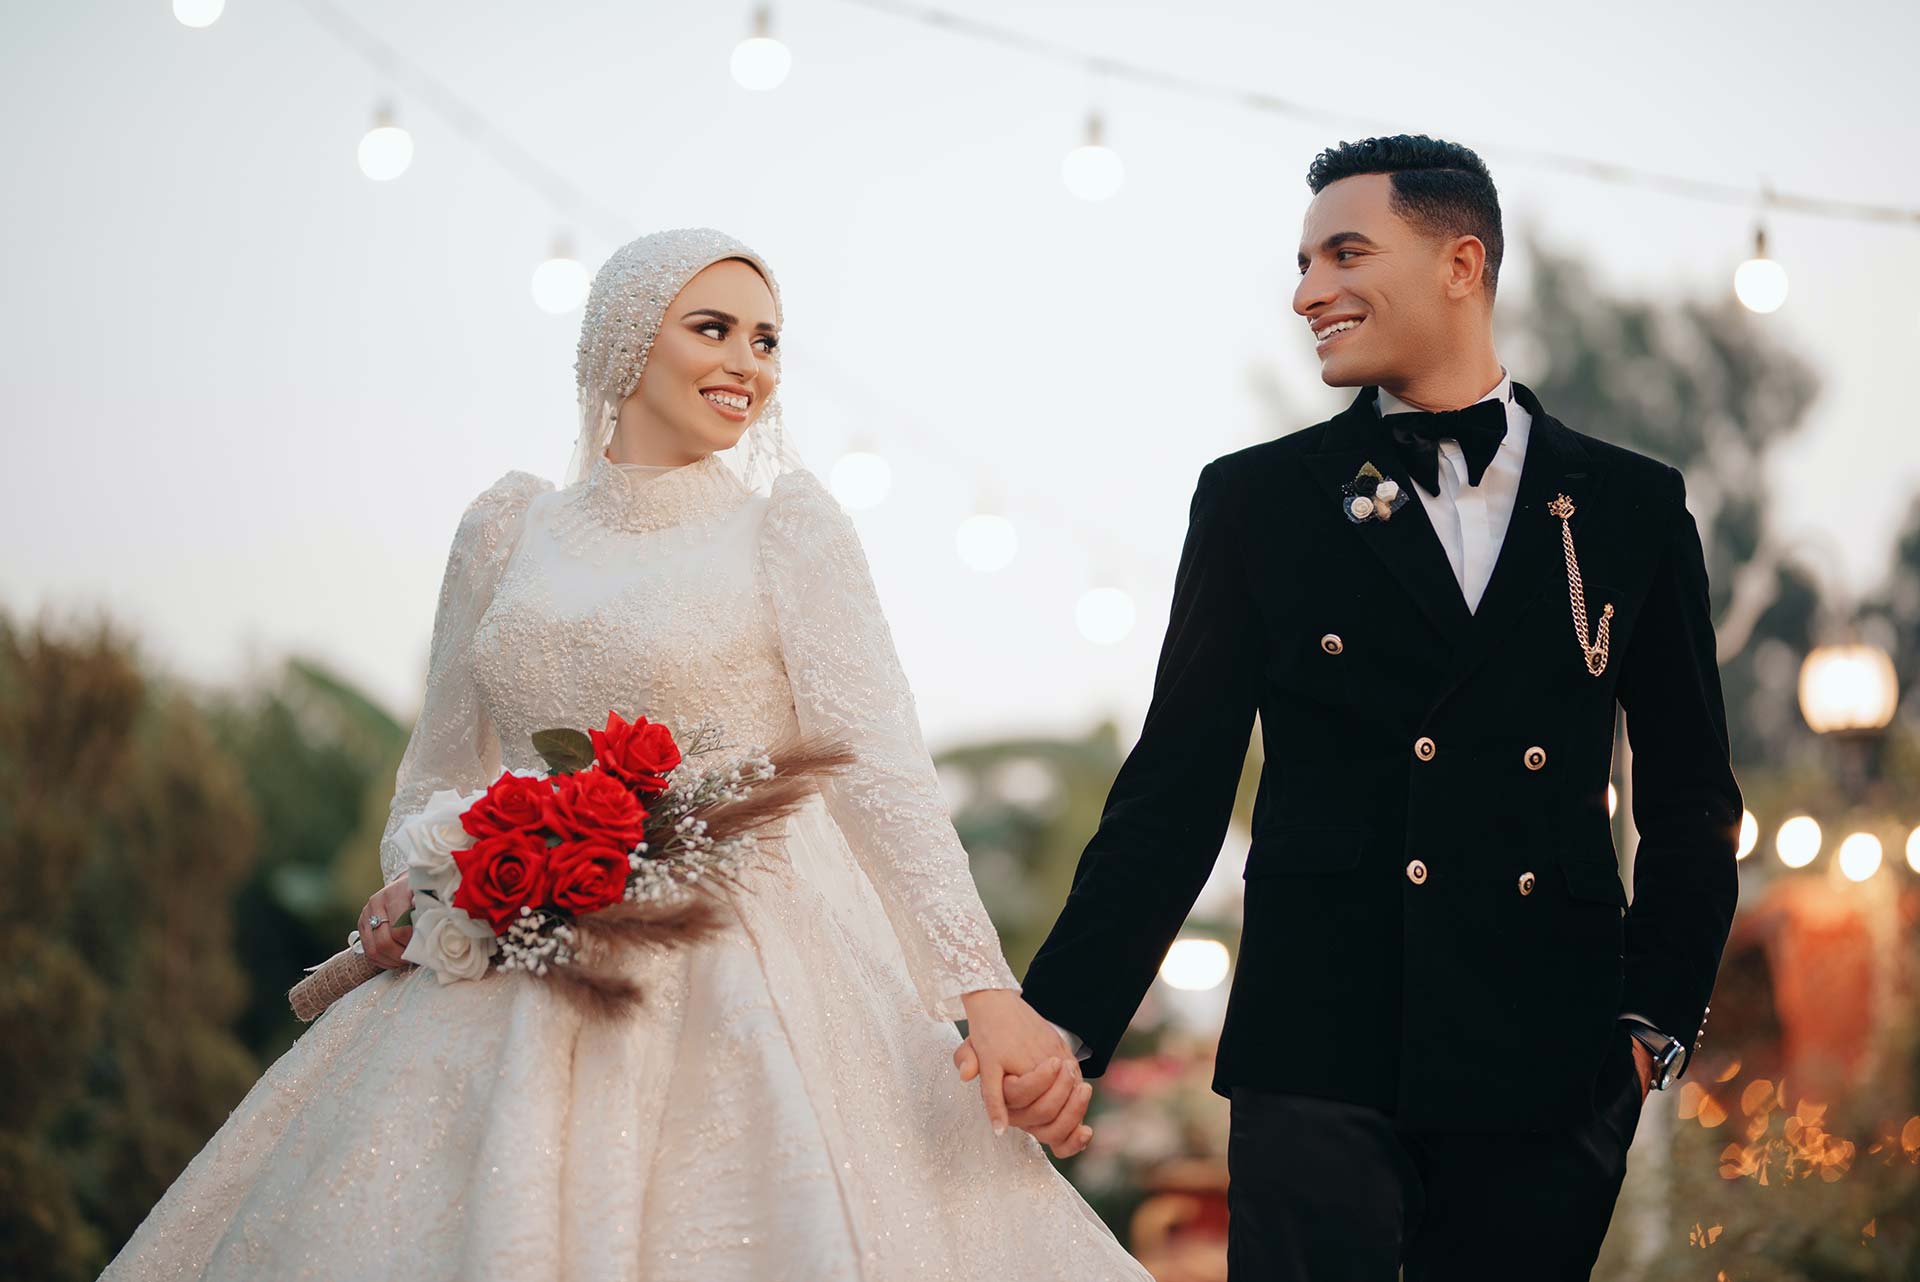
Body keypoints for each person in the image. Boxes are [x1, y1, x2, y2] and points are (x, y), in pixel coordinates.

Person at [101, 228, 1145, 1282]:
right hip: (499, 956)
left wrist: (985, 989)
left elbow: (881, 769)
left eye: (769, 340)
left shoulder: (788, 529)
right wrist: (409, 884)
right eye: (714, 329)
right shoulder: (508, 529)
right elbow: (438, 766)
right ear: (623, 342)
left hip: (744, 959)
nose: (749, 363)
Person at [1014, 136, 1742, 1280]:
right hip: (1318, 1053)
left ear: (1463, 263)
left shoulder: (1632, 506)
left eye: (1345, 253)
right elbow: (1176, 785)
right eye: (1303, 262)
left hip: (1548, 1063)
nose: (1308, 292)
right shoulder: (1258, 500)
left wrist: (1651, 1027)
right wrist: (1061, 1016)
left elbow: (1695, 797)